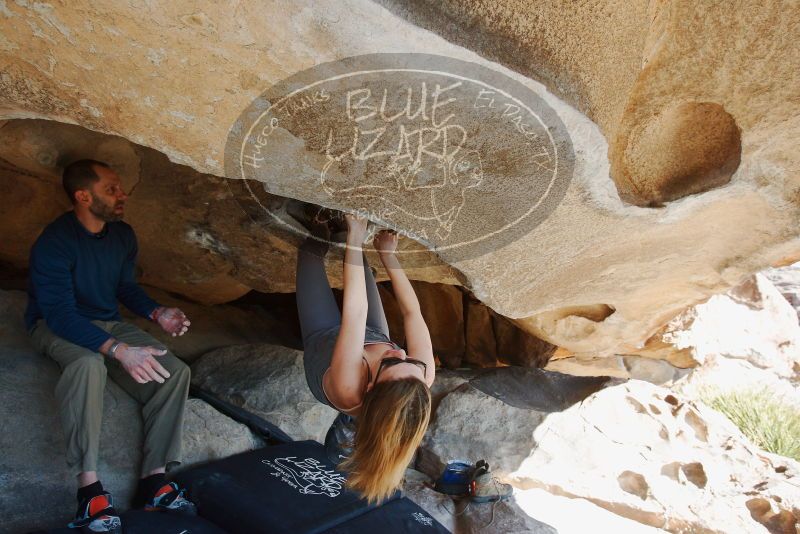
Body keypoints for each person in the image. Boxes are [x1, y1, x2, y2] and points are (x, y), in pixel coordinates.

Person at [25, 160, 196, 533]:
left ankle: (154, 482)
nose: (122, 196)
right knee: (88, 366)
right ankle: (90, 493)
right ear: (83, 196)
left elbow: (125, 288)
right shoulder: (55, 242)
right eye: (111, 189)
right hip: (56, 324)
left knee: (175, 372)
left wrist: (157, 312)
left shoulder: (122, 235)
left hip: (108, 322)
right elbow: (58, 314)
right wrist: (118, 350)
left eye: (120, 188)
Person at [295, 209, 435, 504]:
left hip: (326, 343)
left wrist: (359, 238)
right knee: (359, 260)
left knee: (310, 253)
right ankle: (344, 235)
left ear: (371, 387)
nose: (400, 351)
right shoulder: (420, 378)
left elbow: (354, 315)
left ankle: (322, 233)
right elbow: (413, 313)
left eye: (394, 363)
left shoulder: (350, 388)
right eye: (411, 361)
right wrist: (388, 255)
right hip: (371, 335)